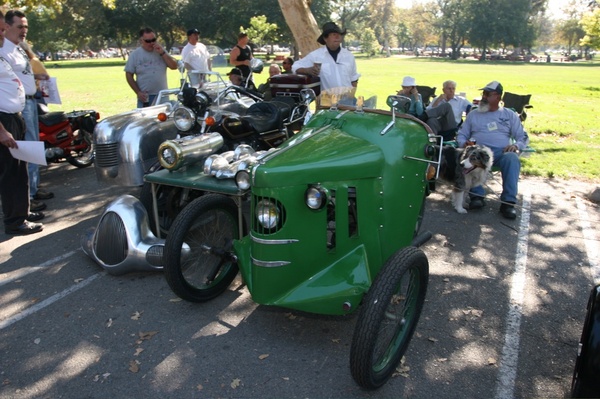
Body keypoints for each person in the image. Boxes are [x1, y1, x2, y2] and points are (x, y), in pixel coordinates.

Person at [1, 10, 52, 212]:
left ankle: (33, 188)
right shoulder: (3, 48)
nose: (24, 31)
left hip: (29, 102)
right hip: (15, 107)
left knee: (32, 145)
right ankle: (28, 197)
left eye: (26, 26)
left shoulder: (19, 48)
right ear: (7, 26)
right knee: (24, 149)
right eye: (19, 26)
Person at [457, 81, 529, 220]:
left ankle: (508, 203)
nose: (483, 97)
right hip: (478, 151)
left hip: (501, 152)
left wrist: (517, 146)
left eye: (488, 94)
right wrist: (463, 143)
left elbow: (522, 136)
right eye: (483, 93)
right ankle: (476, 196)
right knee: (472, 158)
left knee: (512, 159)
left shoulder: (509, 115)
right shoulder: (474, 114)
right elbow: (461, 133)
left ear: (498, 97)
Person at [292, 22, 360, 91]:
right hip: (327, 100)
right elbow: (295, 66)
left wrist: (351, 95)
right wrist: (307, 70)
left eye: (339, 34)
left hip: (347, 100)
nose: (337, 37)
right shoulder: (316, 55)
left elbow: (354, 78)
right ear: (325, 38)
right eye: (334, 34)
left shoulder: (349, 56)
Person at [125, 27, 178, 108]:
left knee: (163, 119)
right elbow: (129, 75)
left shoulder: (161, 51)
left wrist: (162, 53)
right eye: (148, 41)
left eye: (153, 40)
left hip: (162, 95)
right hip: (145, 97)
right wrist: (138, 92)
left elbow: (174, 66)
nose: (151, 43)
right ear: (141, 41)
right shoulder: (135, 55)